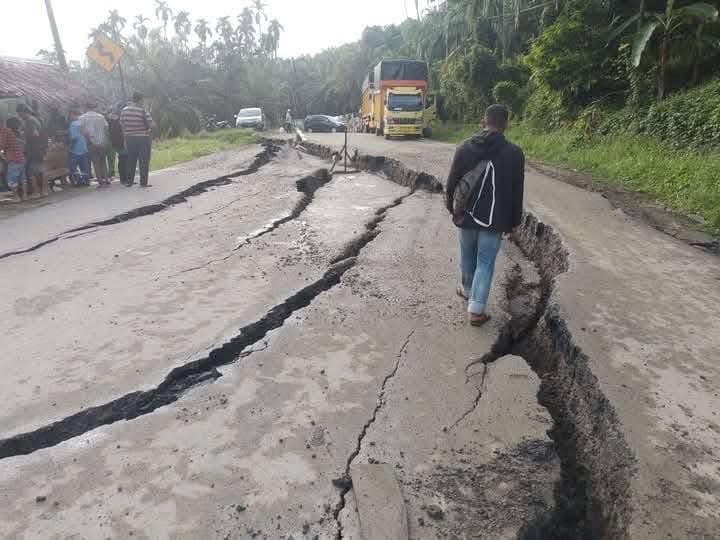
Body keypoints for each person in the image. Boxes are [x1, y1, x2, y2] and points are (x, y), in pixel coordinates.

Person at [445, 104, 525, 327]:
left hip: (466, 215)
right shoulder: (514, 154)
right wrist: (514, 224)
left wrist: (452, 208)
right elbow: (516, 192)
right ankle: (476, 309)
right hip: (495, 219)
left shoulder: (464, 148)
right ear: (505, 125)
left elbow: (451, 183)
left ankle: (467, 291)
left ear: (484, 122)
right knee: (485, 262)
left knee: (467, 254)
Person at [120, 92, 155, 187]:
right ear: (140, 100)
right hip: (143, 138)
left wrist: (126, 136)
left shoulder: (124, 110)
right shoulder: (142, 111)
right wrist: (149, 130)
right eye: (142, 100)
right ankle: (143, 183)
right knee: (143, 161)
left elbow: (122, 125)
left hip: (129, 138)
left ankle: (129, 182)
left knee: (131, 160)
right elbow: (152, 125)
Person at [16, 104, 48, 198]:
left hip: (34, 149)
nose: (19, 116)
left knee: (32, 172)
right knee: (40, 170)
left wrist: (23, 136)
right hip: (40, 148)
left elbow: (35, 134)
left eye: (20, 114)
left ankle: (37, 192)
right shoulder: (36, 119)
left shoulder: (30, 121)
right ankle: (44, 191)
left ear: (24, 112)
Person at [79, 103, 111, 188]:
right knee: (103, 161)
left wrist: (88, 139)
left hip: (91, 143)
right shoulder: (101, 116)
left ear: (86, 107)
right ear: (94, 107)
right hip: (102, 142)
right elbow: (106, 128)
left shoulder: (82, 118)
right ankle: (106, 179)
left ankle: (100, 182)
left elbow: (82, 131)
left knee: (96, 162)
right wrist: (106, 140)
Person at [0, 118, 28, 202]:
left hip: (13, 159)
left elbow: (2, 145)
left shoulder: (3, 131)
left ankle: (16, 197)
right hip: (20, 158)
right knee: (22, 178)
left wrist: (1, 153)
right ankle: (25, 196)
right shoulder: (9, 130)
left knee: (11, 179)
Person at [67, 110, 90, 186]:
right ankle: (86, 181)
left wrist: (70, 148)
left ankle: (78, 180)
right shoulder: (82, 123)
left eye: (70, 115)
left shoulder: (73, 124)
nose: (69, 117)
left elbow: (74, 138)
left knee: (72, 166)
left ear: (73, 114)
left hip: (76, 149)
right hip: (83, 147)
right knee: (84, 166)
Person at [107, 108, 127, 184]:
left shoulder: (112, 122)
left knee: (123, 160)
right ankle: (124, 178)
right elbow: (122, 133)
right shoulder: (116, 122)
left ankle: (124, 178)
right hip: (121, 144)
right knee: (123, 160)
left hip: (117, 144)